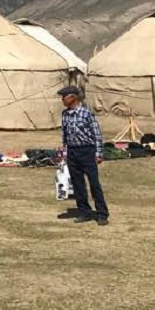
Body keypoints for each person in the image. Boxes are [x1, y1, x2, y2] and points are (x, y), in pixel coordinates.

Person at [57, 85, 109, 225]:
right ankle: (84, 212)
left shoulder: (86, 114)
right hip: (73, 152)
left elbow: (96, 134)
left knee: (94, 184)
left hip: (87, 151)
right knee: (78, 184)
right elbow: (65, 134)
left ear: (73, 97)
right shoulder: (65, 114)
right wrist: (65, 151)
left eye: (64, 97)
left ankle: (102, 214)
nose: (62, 100)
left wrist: (98, 153)